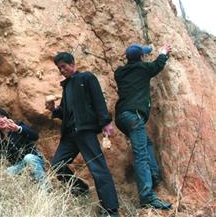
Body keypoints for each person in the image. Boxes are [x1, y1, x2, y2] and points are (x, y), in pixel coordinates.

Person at [46, 52, 119, 217]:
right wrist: (54, 110)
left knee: (98, 169)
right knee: (57, 164)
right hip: (70, 135)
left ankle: (111, 211)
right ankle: (81, 189)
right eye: (59, 68)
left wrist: (105, 122)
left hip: (85, 131)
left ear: (72, 64)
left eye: (64, 66)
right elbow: (65, 112)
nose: (62, 70)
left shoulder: (86, 78)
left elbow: (98, 99)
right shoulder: (67, 86)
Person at [114, 43, 172, 210]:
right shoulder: (142, 69)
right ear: (141, 57)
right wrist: (163, 53)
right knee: (141, 155)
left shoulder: (120, 72)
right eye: (143, 55)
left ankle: (154, 175)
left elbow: (137, 63)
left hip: (122, 118)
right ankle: (147, 197)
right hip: (134, 117)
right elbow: (158, 65)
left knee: (146, 143)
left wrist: (141, 54)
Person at [0, 107, 51, 190]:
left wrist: (18, 129)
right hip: (20, 166)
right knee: (6, 173)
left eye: (3, 117)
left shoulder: (18, 126)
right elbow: (0, 160)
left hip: (34, 159)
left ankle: (46, 189)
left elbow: (35, 136)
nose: (2, 120)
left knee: (28, 157)